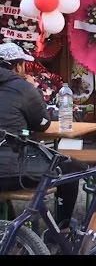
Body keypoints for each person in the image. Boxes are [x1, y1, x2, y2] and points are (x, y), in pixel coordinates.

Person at [0, 43, 86, 228]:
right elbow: (43, 124)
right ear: (17, 66)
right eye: (24, 64)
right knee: (72, 168)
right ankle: (61, 230)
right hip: (12, 170)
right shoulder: (22, 87)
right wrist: (31, 90)